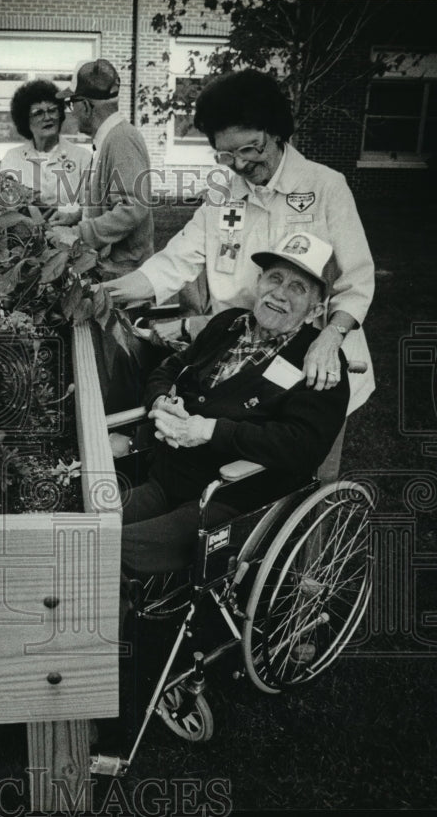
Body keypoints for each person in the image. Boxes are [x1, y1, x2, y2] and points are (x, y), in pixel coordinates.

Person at [102, 69, 374, 436]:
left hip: (310, 360)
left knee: (300, 454)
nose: (241, 165)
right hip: (241, 357)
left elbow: (355, 281)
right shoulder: (223, 196)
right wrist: (104, 294)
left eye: (250, 148)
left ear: (276, 132)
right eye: (226, 155)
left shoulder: (325, 188)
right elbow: (173, 262)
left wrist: (330, 339)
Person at [119, 232, 349, 577]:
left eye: (297, 288)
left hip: (227, 498)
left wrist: (212, 430)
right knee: (83, 524)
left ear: (316, 309)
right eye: (275, 278)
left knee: (108, 549)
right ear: (259, 281)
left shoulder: (319, 362)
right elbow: (168, 369)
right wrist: (162, 402)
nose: (279, 294)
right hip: (168, 476)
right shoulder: (227, 324)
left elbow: (302, 446)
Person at [49, 59, 155, 273]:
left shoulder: (121, 139)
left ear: (86, 106)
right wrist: (76, 216)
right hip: (113, 270)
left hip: (123, 274)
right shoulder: (110, 138)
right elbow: (110, 201)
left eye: (71, 104)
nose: (71, 112)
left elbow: (132, 208)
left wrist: (78, 234)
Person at [0, 79, 92, 212]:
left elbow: (90, 208)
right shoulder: (13, 158)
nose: (48, 117)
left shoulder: (82, 157)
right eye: (38, 113)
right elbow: (5, 205)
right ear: (25, 120)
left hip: (69, 231)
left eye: (52, 110)